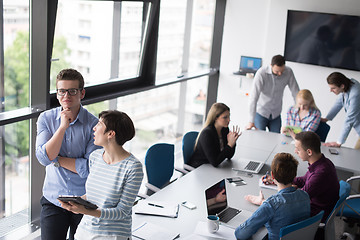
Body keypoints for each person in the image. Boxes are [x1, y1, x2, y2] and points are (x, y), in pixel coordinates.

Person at [35, 69, 101, 240]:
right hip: (53, 200)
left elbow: (89, 168)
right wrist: (62, 127)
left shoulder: (94, 124)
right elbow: (43, 158)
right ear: (57, 94)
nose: (66, 96)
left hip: (84, 201)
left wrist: (55, 158)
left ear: (82, 93)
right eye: (62, 91)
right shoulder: (46, 119)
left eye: (72, 91)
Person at [59, 110, 144, 240]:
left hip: (112, 235)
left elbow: (122, 212)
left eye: (99, 124)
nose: (94, 128)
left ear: (110, 134)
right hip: (85, 231)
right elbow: (94, 194)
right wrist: (78, 202)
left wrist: (85, 211)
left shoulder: (133, 167)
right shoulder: (95, 157)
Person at [234, 153, 310, 240]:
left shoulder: (271, 205)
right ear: (295, 175)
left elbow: (240, 234)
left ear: (272, 175)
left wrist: (264, 208)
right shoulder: (305, 196)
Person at [293, 131, 339, 222]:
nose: (295, 151)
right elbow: (303, 180)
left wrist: (284, 188)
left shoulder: (321, 173)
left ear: (309, 152)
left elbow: (300, 198)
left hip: (315, 215)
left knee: (278, 214)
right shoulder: (321, 162)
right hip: (315, 207)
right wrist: (280, 179)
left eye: (298, 149)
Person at [246, 55, 300, 133]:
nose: (280, 73)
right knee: (259, 139)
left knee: (276, 138)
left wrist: (299, 109)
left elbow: (295, 92)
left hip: (276, 113)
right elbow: (253, 97)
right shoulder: (262, 73)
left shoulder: (288, 72)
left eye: (282, 71)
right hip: (261, 112)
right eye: (277, 71)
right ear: (271, 66)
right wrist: (251, 121)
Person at [188, 102, 241, 168]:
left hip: (211, 168)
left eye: (229, 116)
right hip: (200, 168)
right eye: (225, 117)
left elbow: (229, 156)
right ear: (215, 118)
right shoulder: (207, 134)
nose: (229, 120)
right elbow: (215, 162)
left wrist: (233, 142)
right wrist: (229, 145)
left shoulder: (225, 130)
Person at [322, 72, 360, 149]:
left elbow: (350, 118)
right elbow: (339, 103)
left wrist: (339, 142)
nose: (330, 90)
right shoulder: (347, 85)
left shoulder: (355, 93)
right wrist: (327, 118)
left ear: (342, 86)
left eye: (333, 88)